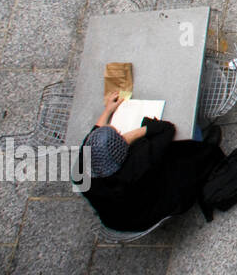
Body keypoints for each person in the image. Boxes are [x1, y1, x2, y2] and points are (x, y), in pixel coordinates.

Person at [76, 92, 224, 232]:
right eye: (119, 135)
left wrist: (108, 111)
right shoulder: (139, 162)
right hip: (147, 214)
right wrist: (131, 135)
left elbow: (93, 137)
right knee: (177, 156)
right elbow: (166, 129)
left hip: (115, 221)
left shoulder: (81, 171)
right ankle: (208, 150)